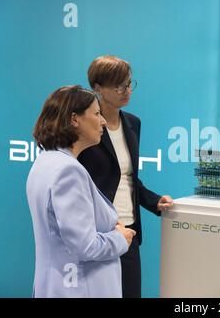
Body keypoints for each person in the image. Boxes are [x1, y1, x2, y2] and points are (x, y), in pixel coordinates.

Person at [78, 55, 174, 298]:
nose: (127, 90)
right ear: (97, 88)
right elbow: (80, 184)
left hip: (129, 232)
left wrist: (154, 201)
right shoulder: (84, 126)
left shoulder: (133, 123)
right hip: (97, 234)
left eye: (129, 83)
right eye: (119, 85)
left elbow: (128, 177)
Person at [27, 85, 136, 297]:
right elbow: (86, 246)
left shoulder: (46, 161)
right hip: (79, 289)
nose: (103, 121)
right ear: (75, 119)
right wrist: (120, 238)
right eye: (96, 114)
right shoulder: (68, 171)